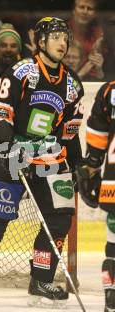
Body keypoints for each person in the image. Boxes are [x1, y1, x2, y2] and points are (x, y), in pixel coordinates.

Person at [0, 17, 84, 307]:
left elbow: (69, 132)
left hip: (50, 158)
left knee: (60, 217)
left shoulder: (72, 84)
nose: (62, 42)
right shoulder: (21, 71)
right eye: (55, 37)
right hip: (15, 155)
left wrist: (77, 166)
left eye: (65, 37)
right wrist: (8, 147)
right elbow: (0, 114)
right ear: (40, 42)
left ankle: (41, 279)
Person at [76, 80, 115, 312]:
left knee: (114, 242)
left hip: (113, 178)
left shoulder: (110, 90)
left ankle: (111, 298)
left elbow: (98, 130)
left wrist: (91, 166)